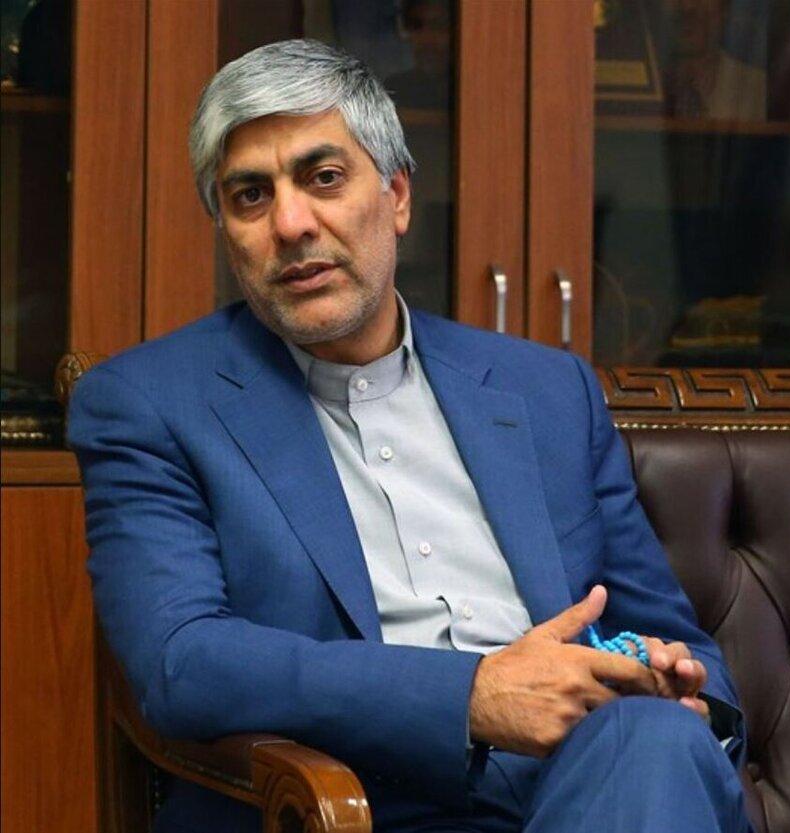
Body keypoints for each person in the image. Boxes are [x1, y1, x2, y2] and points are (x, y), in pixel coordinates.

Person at [68, 39, 752, 833]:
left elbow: (680, 641)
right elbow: (181, 660)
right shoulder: (150, 403)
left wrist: (679, 688)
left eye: (324, 177)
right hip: (354, 804)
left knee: (656, 739)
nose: (291, 223)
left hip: (599, 781)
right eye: (250, 195)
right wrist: (471, 697)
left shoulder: (547, 392)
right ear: (225, 230)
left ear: (396, 196)